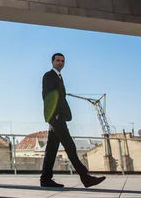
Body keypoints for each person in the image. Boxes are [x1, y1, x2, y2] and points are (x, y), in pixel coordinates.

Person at [40, 53, 106, 188]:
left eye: (62, 61)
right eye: (58, 60)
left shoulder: (59, 77)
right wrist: (55, 115)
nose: (60, 63)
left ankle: (45, 179)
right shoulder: (49, 76)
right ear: (52, 62)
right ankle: (85, 177)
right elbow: (48, 96)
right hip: (56, 117)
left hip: (56, 118)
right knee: (70, 146)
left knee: (51, 149)